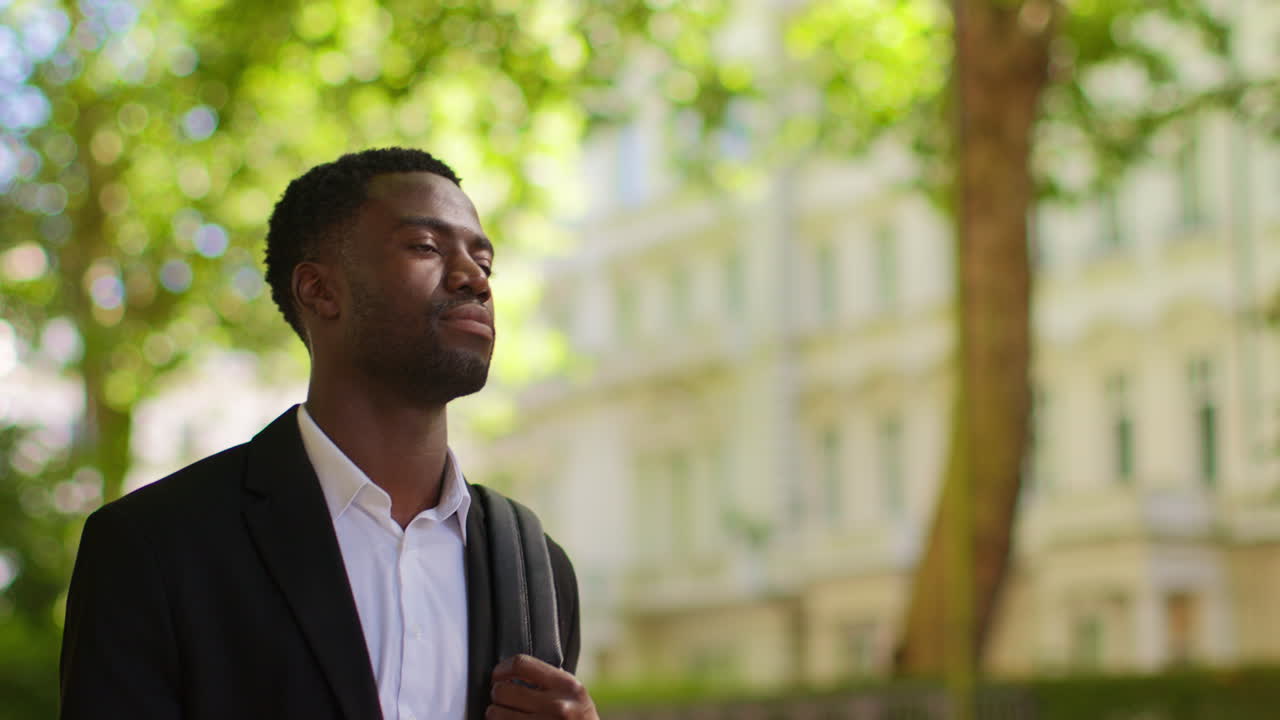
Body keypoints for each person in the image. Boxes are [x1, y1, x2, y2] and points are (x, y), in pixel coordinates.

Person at [59, 148, 599, 720]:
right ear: (319, 290)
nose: (473, 279)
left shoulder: (535, 567)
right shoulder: (153, 549)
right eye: (425, 247)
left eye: (484, 262)